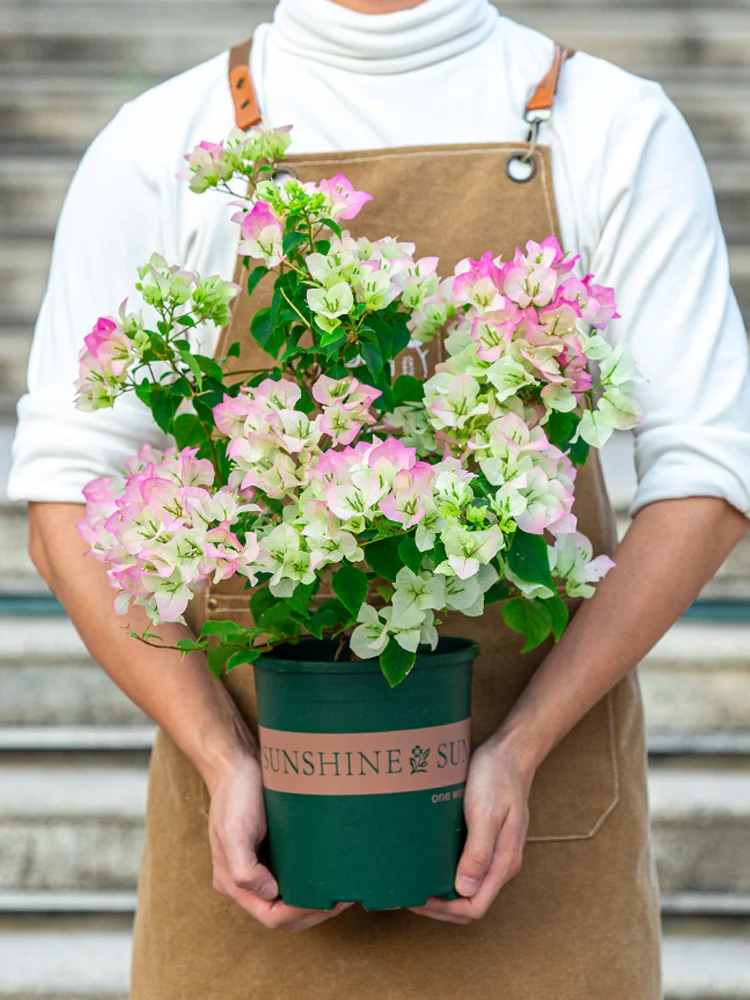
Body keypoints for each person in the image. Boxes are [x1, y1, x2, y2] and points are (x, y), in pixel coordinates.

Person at [9, 0, 750, 996]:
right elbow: (65, 499)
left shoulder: (609, 125)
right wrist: (224, 758)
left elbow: (712, 475)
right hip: (252, 870)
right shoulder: (164, 142)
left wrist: (521, 749)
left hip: (542, 862)